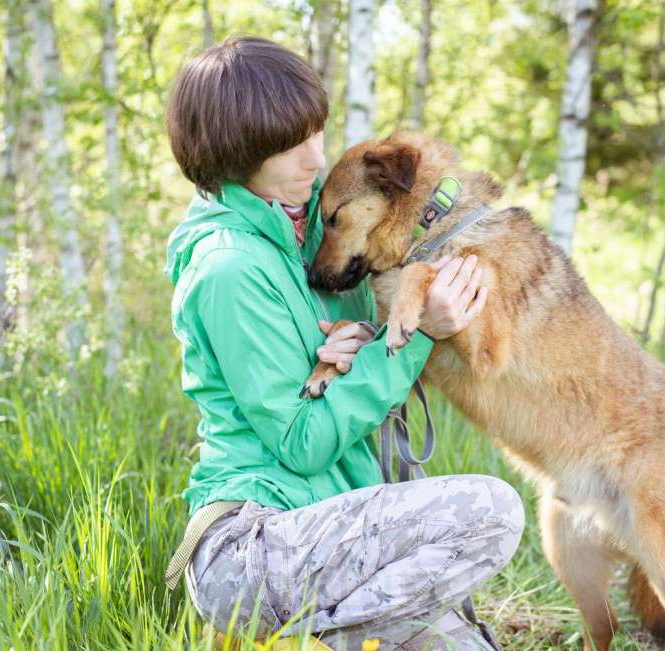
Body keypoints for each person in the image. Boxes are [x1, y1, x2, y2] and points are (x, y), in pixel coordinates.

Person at [163, 35, 524, 650]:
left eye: (315, 134)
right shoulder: (229, 268)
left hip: (342, 530)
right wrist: (412, 340)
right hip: (254, 544)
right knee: (492, 511)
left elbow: (359, 368)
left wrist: (365, 341)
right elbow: (301, 444)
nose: (316, 159)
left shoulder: (314, 239)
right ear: (233, 155)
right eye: (290, 146)